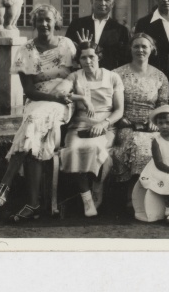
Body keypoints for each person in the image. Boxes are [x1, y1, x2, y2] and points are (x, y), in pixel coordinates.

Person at [0, 4, 76, 222]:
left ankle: (6, 185)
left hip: (63, 102)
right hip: (37, 101)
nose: (44, 24)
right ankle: (33, 204)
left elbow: (80, 75)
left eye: (48, 20)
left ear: (56, 21)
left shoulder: (67, 45)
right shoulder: (26, 50)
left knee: (31, 124)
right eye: (39, 20)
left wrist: (61, 95)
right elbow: (28, 90)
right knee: (35, 137)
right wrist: (52, 97)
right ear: (34, 23)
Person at [57, 41, 124, 216]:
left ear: (98, 57)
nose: (88, 61)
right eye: (83, 57)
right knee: (73, 150)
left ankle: (97, 190)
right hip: (79, 125)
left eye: (91, 56)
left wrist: (104, 123)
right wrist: (83, 99)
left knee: (97, 149)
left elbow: (119, 110)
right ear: (78, 60)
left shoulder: (112, 77)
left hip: (105, 125)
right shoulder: (75, 77)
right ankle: (87, 199)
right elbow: (58, 93)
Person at [109, 33, 169, 202]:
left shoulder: (160, 77)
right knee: (137, 146)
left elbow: (163, 106)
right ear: (130, 49)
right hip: (125, 126)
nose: (140, 50)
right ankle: (133, 195)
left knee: (152, 146)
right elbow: (110, 104)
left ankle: (153, 195)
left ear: (152, 49)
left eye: (144, 46)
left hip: (152, 127)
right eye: (136, 46)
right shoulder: (117, 74)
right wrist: (120, 119)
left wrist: (156, 121)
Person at [65, 0, 130, 70]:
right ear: (92, 2)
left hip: (108, 77)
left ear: (113, 4)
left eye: (107, 0)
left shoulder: (121, 30)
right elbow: (67, 51)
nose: (102, 3)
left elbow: (124, 59)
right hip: (81, 74)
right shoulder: (77, 24)